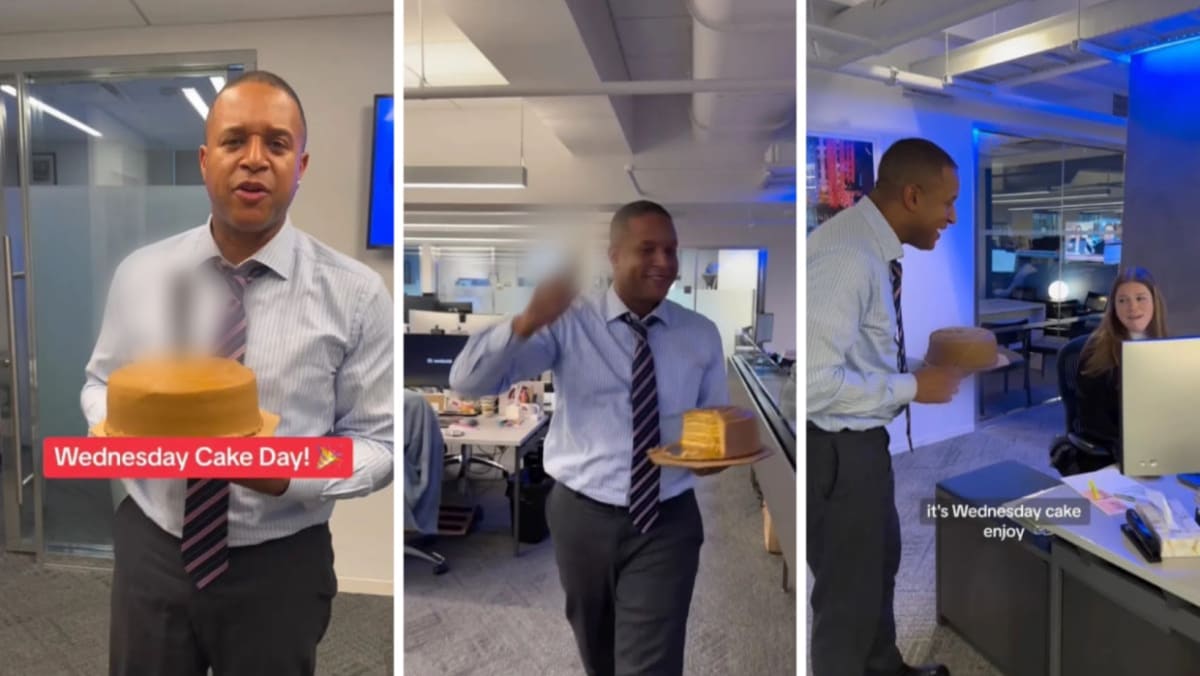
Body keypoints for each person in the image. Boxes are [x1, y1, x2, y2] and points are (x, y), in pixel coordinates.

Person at [80, 70, 394, 676]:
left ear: (301, 165)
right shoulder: (141, 274)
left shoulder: (356, 295)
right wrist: (120, 426)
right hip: (154, 546)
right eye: (234, 142)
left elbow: (377, 445)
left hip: (278, 561)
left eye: (276, 144)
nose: (254, 160)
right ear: (204, 160)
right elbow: (99, 383)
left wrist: (284, 470)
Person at [450, 200, 727, 676]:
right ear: (614, 255)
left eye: (671, 250)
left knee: (649, 664)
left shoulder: (700, 334)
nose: (664, 262)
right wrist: (526, 322)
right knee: (598, 650)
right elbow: (468, 383)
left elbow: (714, 420)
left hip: (667, 516)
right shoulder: (568, 321)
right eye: (648, 249)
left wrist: (713, 453)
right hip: (582, 514)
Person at [807, 138, 963, 676]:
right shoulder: (847, 256)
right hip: (836, 450)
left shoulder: (872, 247)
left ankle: (883, 668)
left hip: (862, 447)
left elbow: (854, 350)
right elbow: (813, 383)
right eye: (948, 202)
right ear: (914, 195)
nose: (954, 216)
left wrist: (917, 370)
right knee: (847, 597)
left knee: (878, 567)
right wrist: (912, 388)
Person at [1075, 267, 1169, 463]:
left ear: (1154, 302)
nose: (1132, 307)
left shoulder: (1166, 347)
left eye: (1140, 298)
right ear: (1114, 307)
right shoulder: (1096, 352)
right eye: (1122, 300)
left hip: (1160, 447)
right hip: (1113, 454)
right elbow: (1094, 422)